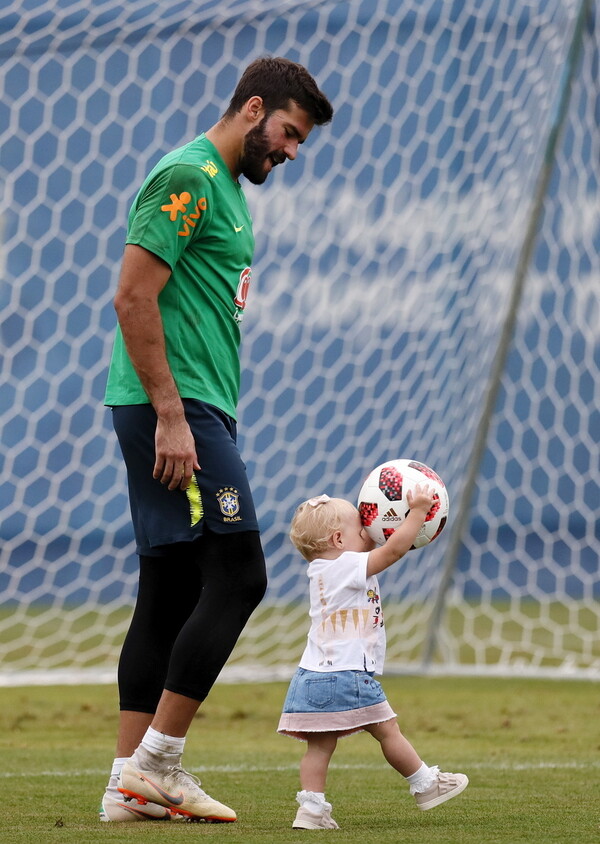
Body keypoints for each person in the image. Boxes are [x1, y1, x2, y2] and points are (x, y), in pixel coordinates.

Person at [99, 57, 333, 824]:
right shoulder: (188, 175)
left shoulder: (228, 191)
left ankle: (125, 788)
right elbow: (133, 293)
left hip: (191, 408)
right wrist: (171, 414)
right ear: (253, 108)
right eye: (290, 134)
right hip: (176, 409)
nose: (291, 151)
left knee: (167, 586)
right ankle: (159, 762)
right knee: (240, 574)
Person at [277, 490, 468, 830]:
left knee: (318, 750)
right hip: (347, 674)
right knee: (388, 731)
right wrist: (418, 513)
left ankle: (310, 809)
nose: (370, 529)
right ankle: (425, 784)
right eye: (361, 527)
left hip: (311, 676)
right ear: (338, 539)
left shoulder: (320, 570)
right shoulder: (347, 565)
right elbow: (394, 550)